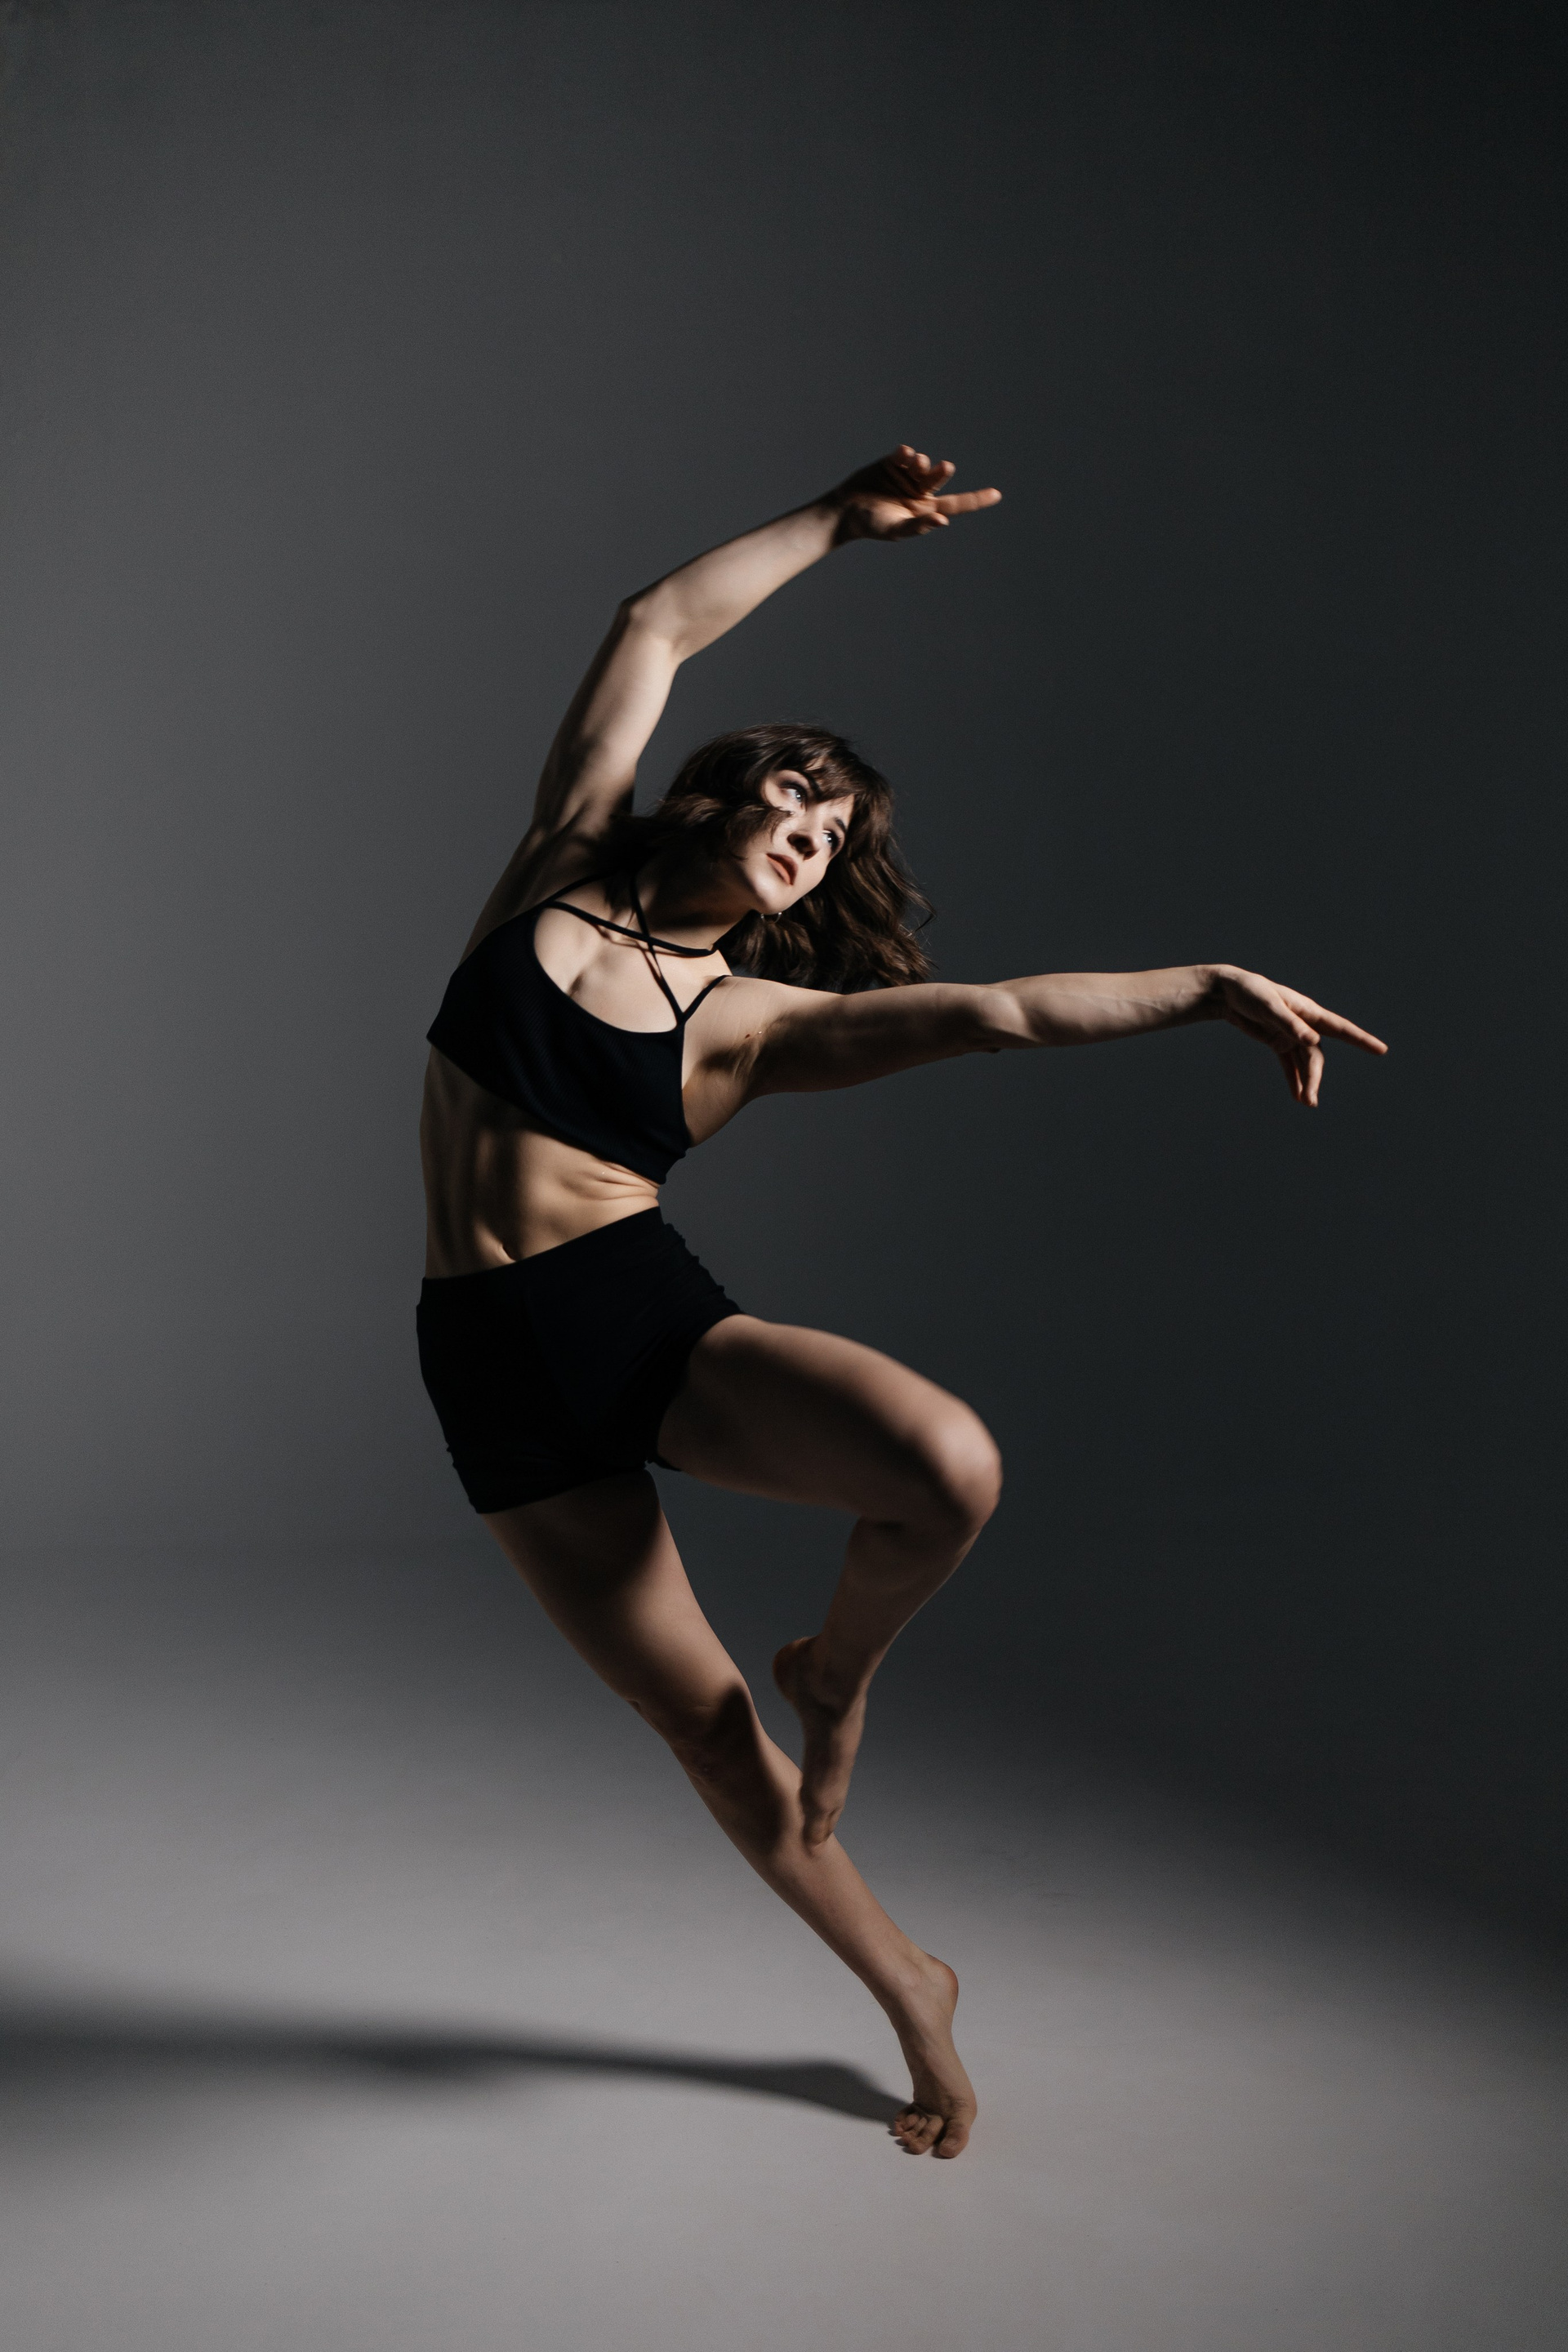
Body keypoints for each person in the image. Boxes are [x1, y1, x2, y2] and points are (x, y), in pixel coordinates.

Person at [417, 444, 1387, 2160]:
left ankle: (839, 1667)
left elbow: (999, 1014)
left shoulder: (750, 1026)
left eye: (835, 838)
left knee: (947, 1466)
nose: (811, 839)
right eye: (795, 802)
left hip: (634, 1323)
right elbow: (654, 625)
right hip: (486, 1368)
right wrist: (832, 523)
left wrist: (1205, 988)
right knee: (706, 1736)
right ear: (722, 795)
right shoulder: (559, 861)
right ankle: (915, 1990)